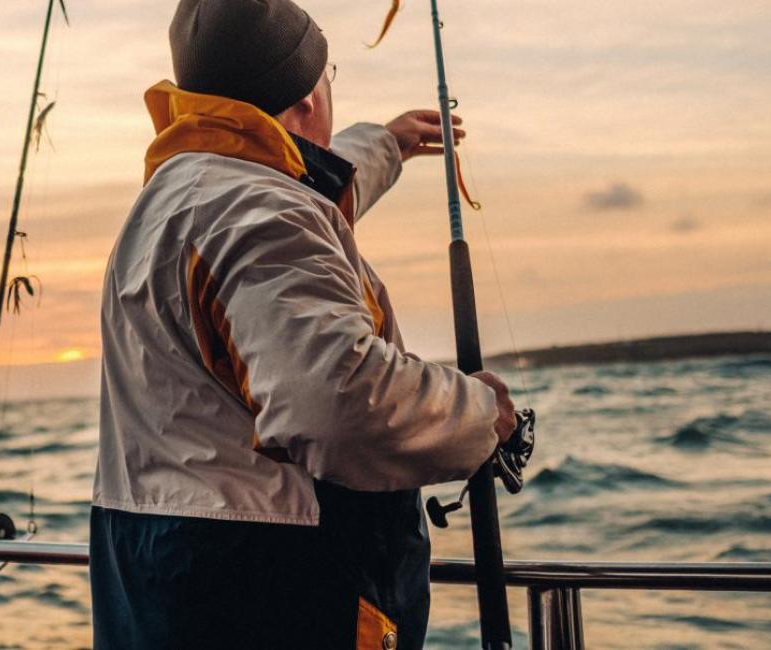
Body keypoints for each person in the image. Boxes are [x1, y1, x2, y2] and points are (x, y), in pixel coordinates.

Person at [91, 1, 518, 648]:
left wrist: (384, 143)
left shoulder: (170, 203)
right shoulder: (261, 212)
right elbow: (341, 404)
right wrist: (481, 414)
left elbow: (288, 197)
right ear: (309, 99)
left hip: (157, 587)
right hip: (273, 596)